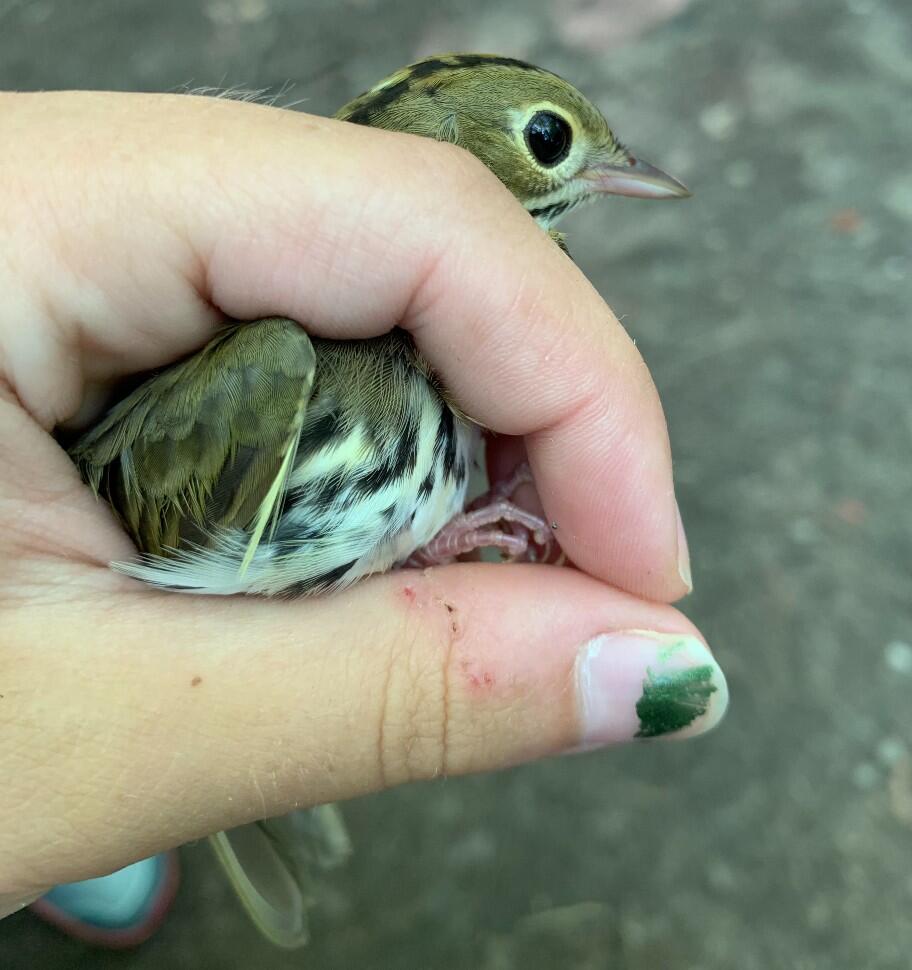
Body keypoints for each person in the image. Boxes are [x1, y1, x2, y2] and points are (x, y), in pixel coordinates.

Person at [0, 90, 726, 942]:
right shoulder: (272, 374)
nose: (608, 166)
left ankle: (102, 827)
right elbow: (182, 589)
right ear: (458, 146)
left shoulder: (449, 368)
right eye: (548, 138)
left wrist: (434, 539)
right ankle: (99, 819)